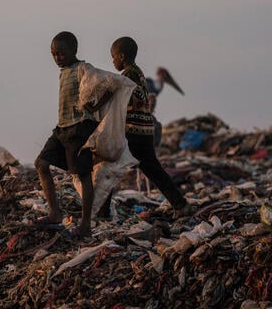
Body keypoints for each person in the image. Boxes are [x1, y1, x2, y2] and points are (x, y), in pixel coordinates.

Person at [111, 36, 187, 216]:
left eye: (113, 57)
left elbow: (121, 102)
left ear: (121, 56)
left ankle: (102, 212)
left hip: (133, 132)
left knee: (108, 167)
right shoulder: (140, 74)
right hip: (145, 131)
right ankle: (181, 204)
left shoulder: (128, 74)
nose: (112, 61)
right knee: (154, 170)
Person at [34, 31, 100, 238]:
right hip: (62, 128)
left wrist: (95, 104)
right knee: (41, 163)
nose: (57, 58)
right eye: (54, 54)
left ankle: (85, 224)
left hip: (79, 128)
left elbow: (101, 86)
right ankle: (54, 213)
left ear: (74, 51)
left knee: (82, 174)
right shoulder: (63, 71)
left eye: (61, 54)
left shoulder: (83, 69)